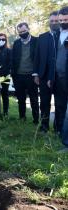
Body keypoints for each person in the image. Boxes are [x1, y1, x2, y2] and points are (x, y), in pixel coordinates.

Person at [33, 11, 59, 132]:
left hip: (59, 76)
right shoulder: (42, 37)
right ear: (49, 22)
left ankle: (58, 127)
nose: (53, 23)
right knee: (44, 102)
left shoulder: (63, 36)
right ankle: (44, 126)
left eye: (56, 21)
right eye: (51, 21)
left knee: (59, 103)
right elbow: (37, 57)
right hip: (43, 75)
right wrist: (36, 74)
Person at [12, 22, 39, 124]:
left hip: (32, 75)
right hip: (19, 76)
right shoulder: (16, 43)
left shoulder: (37, 41)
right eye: (20, 32)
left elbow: (40, 58)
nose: (22, 33)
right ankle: (22, 118)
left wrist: (38, 74)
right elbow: (13, 60)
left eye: (24, 31)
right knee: (21, 99)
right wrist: (13, 75)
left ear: (28, 29)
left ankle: (36, 120)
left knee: (34, 99)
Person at [53, 7, 68, 136]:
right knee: (59, 105)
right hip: (57, 78)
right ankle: (60, 131)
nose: (63, 22)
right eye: (61, 20)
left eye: (65, 19)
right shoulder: (56, 34)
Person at [0, 33, 12, 118]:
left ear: (6, 40)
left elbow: (9, 65)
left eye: (3, 39)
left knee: (5, 94)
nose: (1, 41)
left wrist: (0, 74)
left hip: (5, 77)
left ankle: (5, 112)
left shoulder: (8, 51)